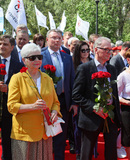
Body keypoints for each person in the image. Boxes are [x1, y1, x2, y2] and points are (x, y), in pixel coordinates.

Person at [7, 43, 61, 160]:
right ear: (24, 60)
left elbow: (55, 103)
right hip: (25, 134)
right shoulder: (17, 78)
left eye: (39, 57)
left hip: (45, 133)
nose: (37, 60)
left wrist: (54, 113)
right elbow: (11, 106)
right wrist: (32, 106)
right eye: (32, 58)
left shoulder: (48, 79)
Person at [72, 37, 121, 160]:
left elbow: (114, 93)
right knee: (86, 153)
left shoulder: (112, 69)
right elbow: (76, 95)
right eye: (106, 50)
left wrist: (115, 113)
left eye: (110, 50)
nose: (109, 53)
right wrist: (94, 108)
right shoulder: (85, 68)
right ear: (95, 50)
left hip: (110, 116)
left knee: (111, 152)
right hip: (91, 118)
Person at [40, 29, 76, 160]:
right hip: (44, 102)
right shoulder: (40, 55)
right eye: (53, 38)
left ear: (62, 40)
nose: (56, 40)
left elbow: (72, 81)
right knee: (45, 135)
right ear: (47, 39)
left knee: (61, 134)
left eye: (59, 38)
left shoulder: (67, 57)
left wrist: (74, 102)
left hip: (63, 101)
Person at [0, 35, 24, 160]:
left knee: (7, 139)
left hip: (9, 109)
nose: (1, 46)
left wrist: (8, 88)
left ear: (12, 47)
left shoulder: (19, 66)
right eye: (0, 43)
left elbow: (22, 87)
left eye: (5, 44)